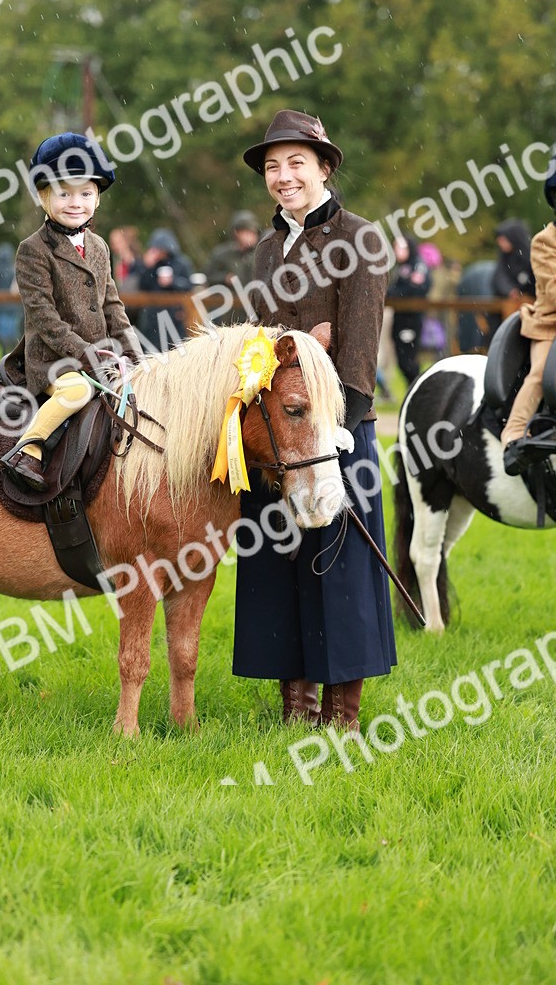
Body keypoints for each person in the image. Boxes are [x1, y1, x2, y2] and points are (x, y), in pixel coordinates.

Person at [232, 109, 396, 732]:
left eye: (296, 163)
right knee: (277, 561)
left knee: (341, 566)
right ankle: (294, 701)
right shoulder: (268, 248)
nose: (283, 176)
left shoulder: (361, 238)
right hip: (276, 431)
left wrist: (335, 426)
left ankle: (342, 711)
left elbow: (357, 345)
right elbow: (263, 344)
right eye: (273, 167)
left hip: (337, 428)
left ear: (324, 167)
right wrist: (302, 342)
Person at [0, 132, 142, 492]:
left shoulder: (99, 246)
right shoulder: (32, 250)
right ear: (44, 196)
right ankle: (27, 449)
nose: (75, 203)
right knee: (77, 391)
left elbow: (112, 304)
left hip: (102, 357)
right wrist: (84, 352)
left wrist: (134, 353)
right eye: (64, 193)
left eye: (85, 193)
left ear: (97, 197)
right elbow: (43, 316)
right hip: (54, 361)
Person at [501, 173, 556, 475]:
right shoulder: (544, 241)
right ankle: (514, 434)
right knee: (540, 374)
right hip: (550, 324)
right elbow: (553, 290)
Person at [137, 228, 193, 351]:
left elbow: (189, 286)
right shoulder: (152, 264)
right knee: (151, 351)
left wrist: (173, 282)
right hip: (153, 317)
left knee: (175, 351)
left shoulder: (182, 263)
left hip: (176, 316)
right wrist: (147, 267)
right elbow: (142, 286)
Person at [386, 234, 431, 387]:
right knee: (402, 360)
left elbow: (417, 290)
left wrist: (397, 292)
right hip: (399, 318)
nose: (397, 251)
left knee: (408, 361)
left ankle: (419, 387)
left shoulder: (418, 266)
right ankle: (415, 388)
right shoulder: (402, 268)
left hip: (411, 320)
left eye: (400, 247)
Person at [203, 210, 261, 324]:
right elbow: (208, 276)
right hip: (227, 313)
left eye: (253, 232)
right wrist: (224, 278)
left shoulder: (261, 253)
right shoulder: (222, 254)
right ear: (236, 233)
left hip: (253, 312)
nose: (251, 236)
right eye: (247, 232)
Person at [493, 219, 536, 301]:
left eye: (503, 240)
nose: (499, 243)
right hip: (508, 302)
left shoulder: (531, 256)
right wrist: (510, 290)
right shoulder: (504, 257)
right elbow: (499, 277)